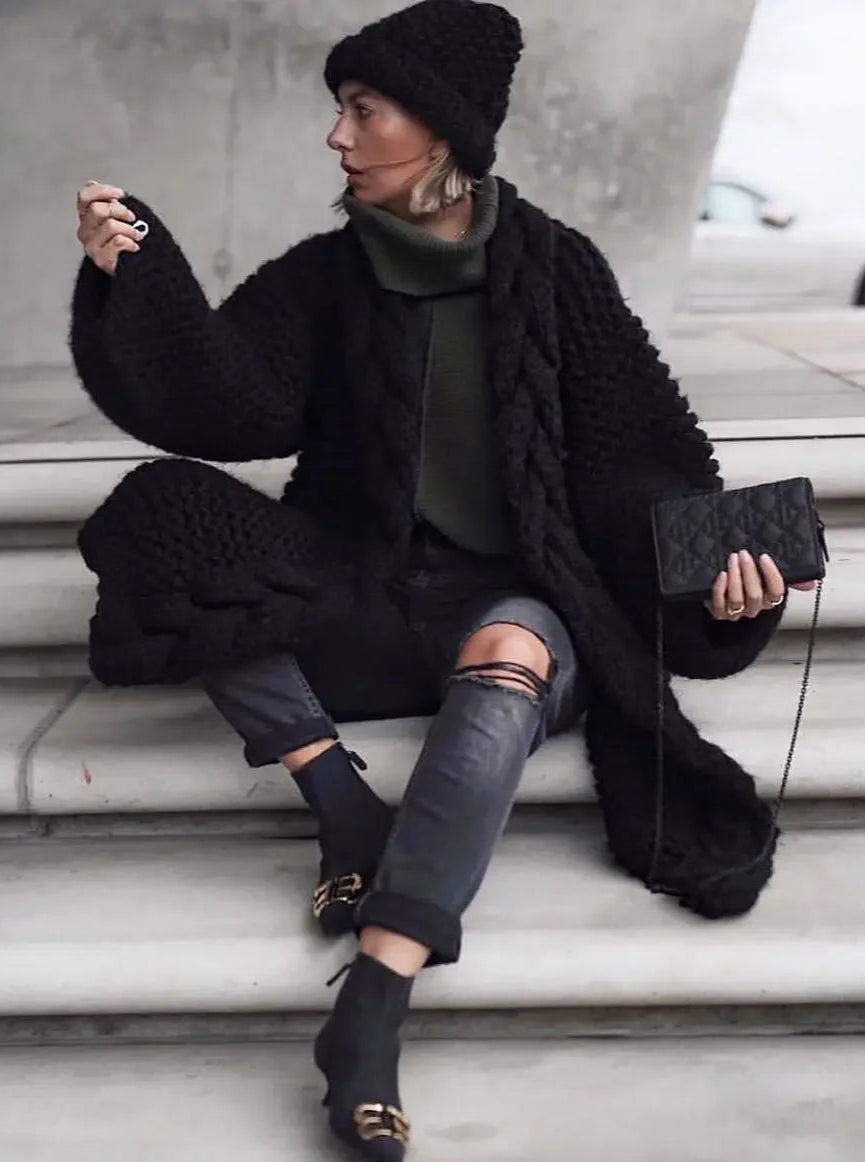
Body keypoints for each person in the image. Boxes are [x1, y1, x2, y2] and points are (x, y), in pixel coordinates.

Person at [70, 1, 816, 1156]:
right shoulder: (325, 275)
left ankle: (372, 1005)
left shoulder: (557, 271)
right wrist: (140, 280)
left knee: (511, 650)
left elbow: (639, 464)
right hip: (361, 592)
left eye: (362, 110)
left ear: (442, 128)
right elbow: (229, 399)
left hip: (516, 605)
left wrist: (712, 584)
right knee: (160, 513)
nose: (337, 136)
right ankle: (344, 808)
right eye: (339, 110)